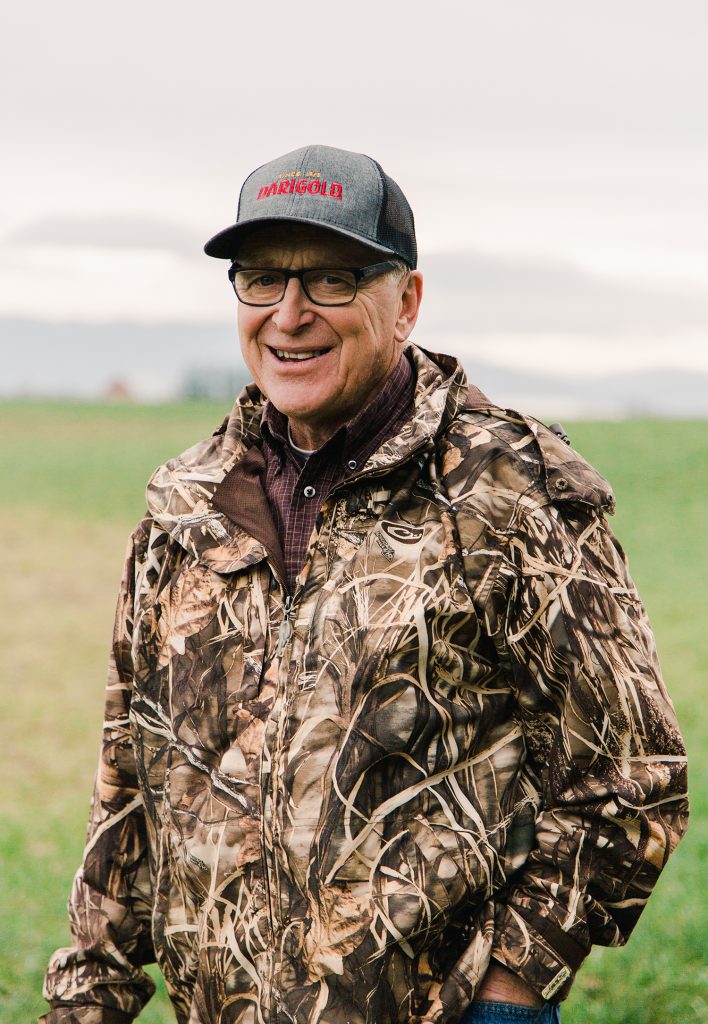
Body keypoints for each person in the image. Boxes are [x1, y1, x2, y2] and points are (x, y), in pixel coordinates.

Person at [42, 145, 688, 1024]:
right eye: (262, 279)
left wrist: (510, 989)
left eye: (334, 279)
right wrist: (90, 1000)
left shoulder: (510, 490)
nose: (290, 315)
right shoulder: (186, 509)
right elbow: (128, 787)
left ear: (407, 301)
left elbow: (632, 772)